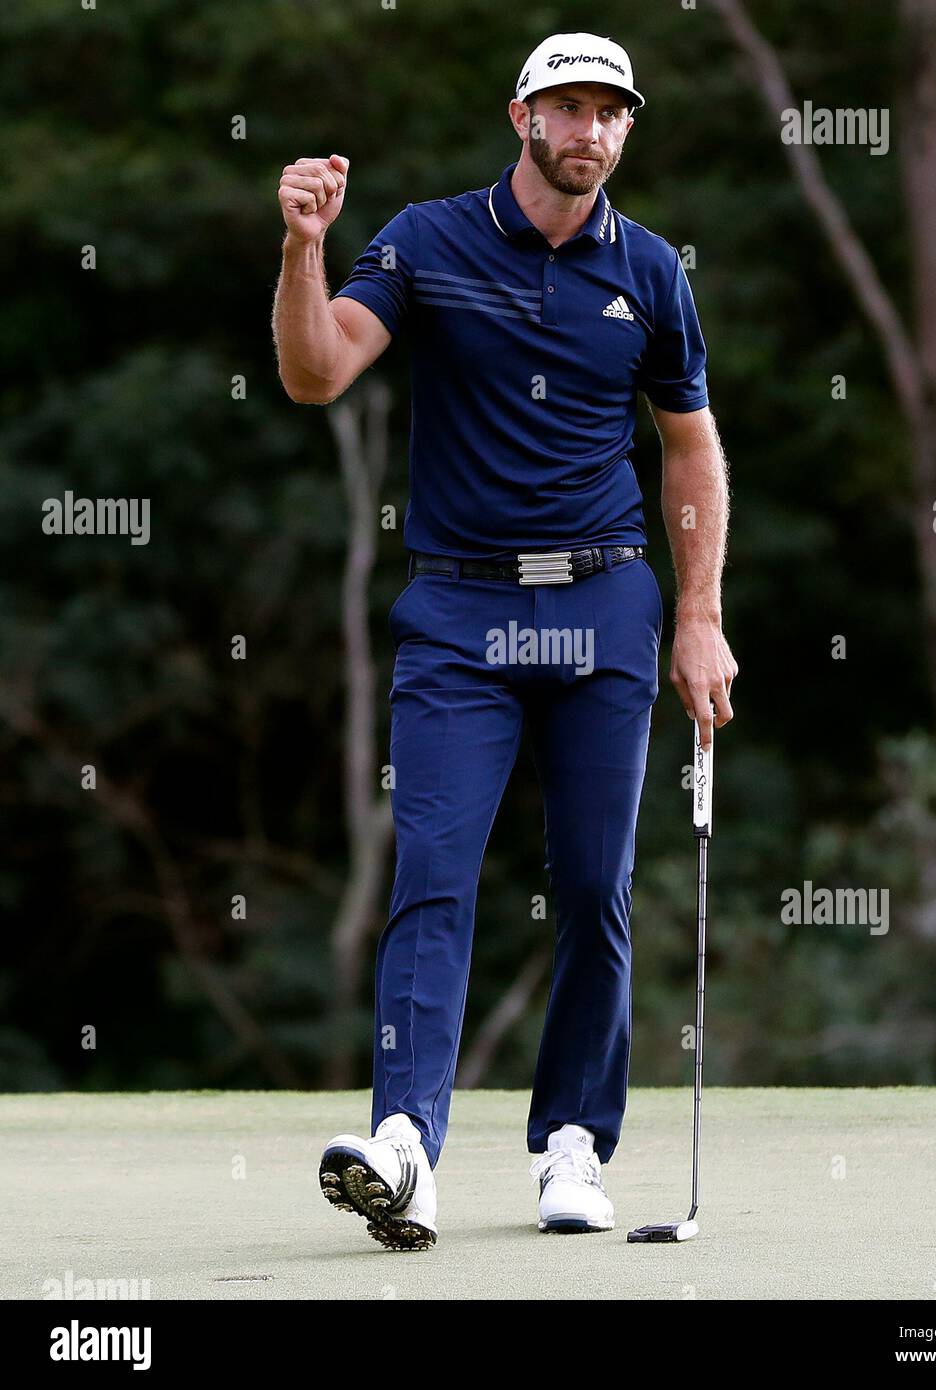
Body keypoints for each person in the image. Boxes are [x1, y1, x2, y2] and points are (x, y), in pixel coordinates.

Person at [273, 32, 737, 1250]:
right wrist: (304, 250)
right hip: (459, 614)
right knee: (431, 873)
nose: (590, 130)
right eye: (567, 107)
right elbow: (317, 373)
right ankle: (405, 1146)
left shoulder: (650, 272)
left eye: (610, 113)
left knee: (594, 882)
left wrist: (699, 615)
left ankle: (574, 1145)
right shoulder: (426, 240)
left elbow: (688, 446)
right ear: (520, 116)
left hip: (606, 604)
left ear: (627, 130)